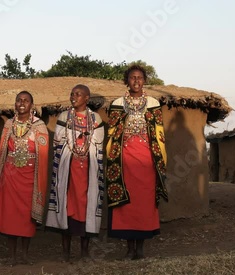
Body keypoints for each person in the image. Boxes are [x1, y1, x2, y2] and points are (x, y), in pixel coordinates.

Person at [106, 64, 168, 260]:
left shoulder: (152, 103)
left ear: (144, 80)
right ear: (127, 81)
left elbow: (159, 133)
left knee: (144, 202)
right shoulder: (117, 103)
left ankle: (140, 248)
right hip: (123, 161)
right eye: (132, 77)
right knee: (126, 204)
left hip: (147, 160)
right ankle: (129, 248)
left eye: (139, 78)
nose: (136, 81)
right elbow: (112, 133)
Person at [46, 84, 105, 262]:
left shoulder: (95, 118)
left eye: (78, 94)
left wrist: (83, 144)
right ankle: (65, 252)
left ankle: (85, 252)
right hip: (68, 172)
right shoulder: (65, 116)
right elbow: (58, 142)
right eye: (72, 94)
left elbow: (99, 144)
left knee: (86, 206)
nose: (74, 97)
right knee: (66, 207)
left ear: (87, 98)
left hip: (88, 172)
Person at [0, 91, 49, 266]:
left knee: (26, 218)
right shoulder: (9, 124)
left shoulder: (39, 126)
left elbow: (44, 153)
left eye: (26, 100)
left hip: (29, 178)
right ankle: (12, 255)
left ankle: (24, 254)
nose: (22, 103)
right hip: (10, 177)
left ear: (32, 105)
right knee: (11, 216)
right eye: (19, 100)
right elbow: (3, 152)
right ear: (15, 104)